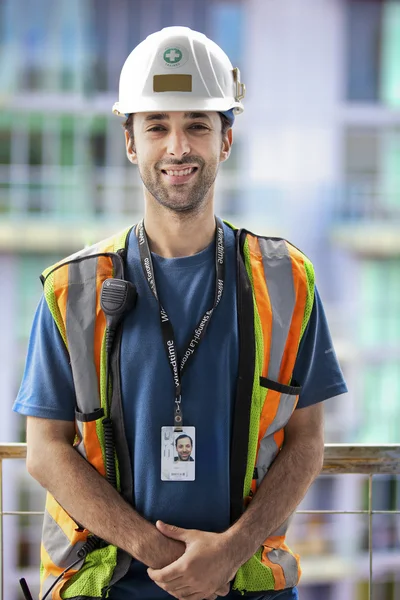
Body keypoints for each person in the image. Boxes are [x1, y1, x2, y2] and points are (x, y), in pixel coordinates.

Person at [14, 26, 347, 600]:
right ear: (130, 143)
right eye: (157, 127)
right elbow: (44, 450)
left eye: (197, 124)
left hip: (246, 587)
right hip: (108, 587)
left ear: (225, 140)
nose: (177, 147)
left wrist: (228, 554)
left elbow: (307, 441)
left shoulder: (286, 279)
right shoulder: (74, 288)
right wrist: (163, 556)